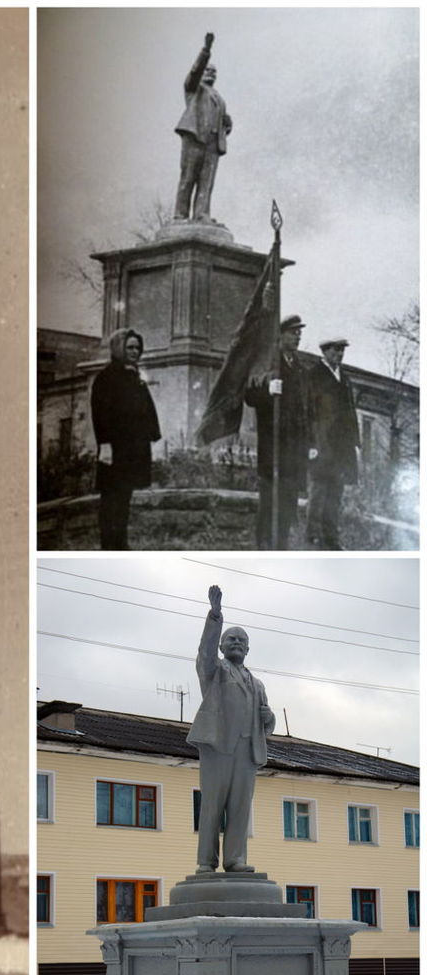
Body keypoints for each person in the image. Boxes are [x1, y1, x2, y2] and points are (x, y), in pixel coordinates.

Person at [185, 585, 276, 874]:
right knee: (212, 805)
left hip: (248, 751)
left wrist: (268, 716)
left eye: (242, 641)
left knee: (240, 808)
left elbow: (268, 725)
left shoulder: (257, 683)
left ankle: (235, 858)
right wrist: (215, 617)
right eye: (231, 639)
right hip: (218, 746)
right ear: (223, 647)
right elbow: (205, 653)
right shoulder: (215, 672)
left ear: (248, 650)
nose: (237, 643)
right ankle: (206, 862)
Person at [244, 315, 314, 549]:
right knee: (269, 503)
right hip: (273, 448)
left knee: (288, 504)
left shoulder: (301, 370)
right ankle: (263, 547)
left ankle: (281, 547)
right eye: (293, 332)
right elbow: (249, 396)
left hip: (294, 451)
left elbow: (307, 410)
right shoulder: (268, 364)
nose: (298, 336)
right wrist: (267, 391)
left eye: (299, 333)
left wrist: (310, 442)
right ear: (281, 334)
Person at [90, 328, 161, 549]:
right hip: (115, 449)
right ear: (118, 348)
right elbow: (100, 413)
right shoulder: (107, 377)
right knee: (112, 499)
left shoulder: (133, 375)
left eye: (138, 348)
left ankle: (120, 544)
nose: (135, 352)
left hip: (132, 449)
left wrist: (150, 433)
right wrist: (105, 444)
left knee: (124, 498)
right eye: (130, 347)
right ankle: (110, 545)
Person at [306, 337, 361, 549]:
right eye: (336, 350)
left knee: (336, 493)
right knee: (319, 490)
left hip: (342, 447)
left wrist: (355, 442)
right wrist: (311, 443)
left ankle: (331, 539)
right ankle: (313, 536)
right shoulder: (314, 376)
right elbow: (308, 412)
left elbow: (350, 411)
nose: (340, 354)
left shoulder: (344, 378)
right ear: (325, 351)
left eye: (342, 350)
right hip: (322, 443)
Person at [174, 32, 232, 223]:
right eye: (208, 70)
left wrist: (227, 123)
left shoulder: (218, 97)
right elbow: (195, 71)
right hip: (195, 137)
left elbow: (221, 118)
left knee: (206, 182)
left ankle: (201, 214)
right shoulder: (194, 88)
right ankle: (180, 215)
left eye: (214, 71)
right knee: (188, 176)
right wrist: (206, 50)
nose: (211, 73)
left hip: (213, 142)